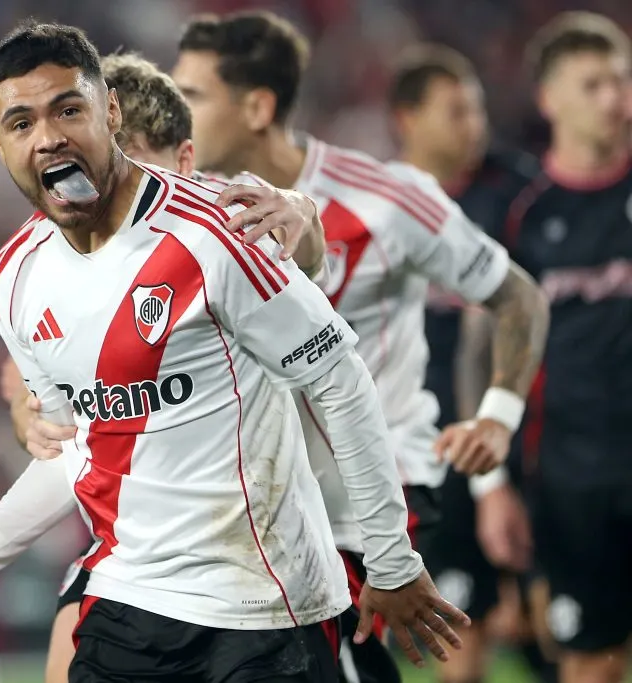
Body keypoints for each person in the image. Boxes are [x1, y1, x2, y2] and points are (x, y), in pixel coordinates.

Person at [0, 21, 469, 683]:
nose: (48, 137)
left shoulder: (213, 234)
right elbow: (81, 445)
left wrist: (391, 559)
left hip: (264, 609)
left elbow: (340, 380)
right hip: (133, 600)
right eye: (21, 122)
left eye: (69, 109)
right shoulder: (17, 276)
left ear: (109, 111)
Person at [168, 9, 549, 680]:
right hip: (272, 500)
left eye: (193, 93)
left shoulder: (385, 198)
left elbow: (516, 294)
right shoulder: (194, 212)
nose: (176, 107)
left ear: (256, 106)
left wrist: (498, 415)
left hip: (381, 496)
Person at [0, 51, 331, 683]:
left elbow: (308, 260)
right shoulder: (51, 260)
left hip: (273, 552)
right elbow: (40, 392)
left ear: (182, 162)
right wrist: (29, 416)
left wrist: (302, 207)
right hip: (133, 558)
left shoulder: (226, 230)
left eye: (132, 163)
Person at [388, 43, 557, 683]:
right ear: (407, 117)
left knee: (550, 629)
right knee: (459, 628)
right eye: (456, 111)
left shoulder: (518, 196)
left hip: (522, 433)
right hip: (429, 448)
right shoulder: (379, 208)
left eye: (478, 109)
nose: (474, 125)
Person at [502, 13, 632, 683]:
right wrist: (494, 486)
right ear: (551, 99)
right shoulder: (522, 213)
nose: (617, 98)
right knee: (589, 662)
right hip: (571, 477)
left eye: (622, 80)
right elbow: (493, 351)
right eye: (595, 84)